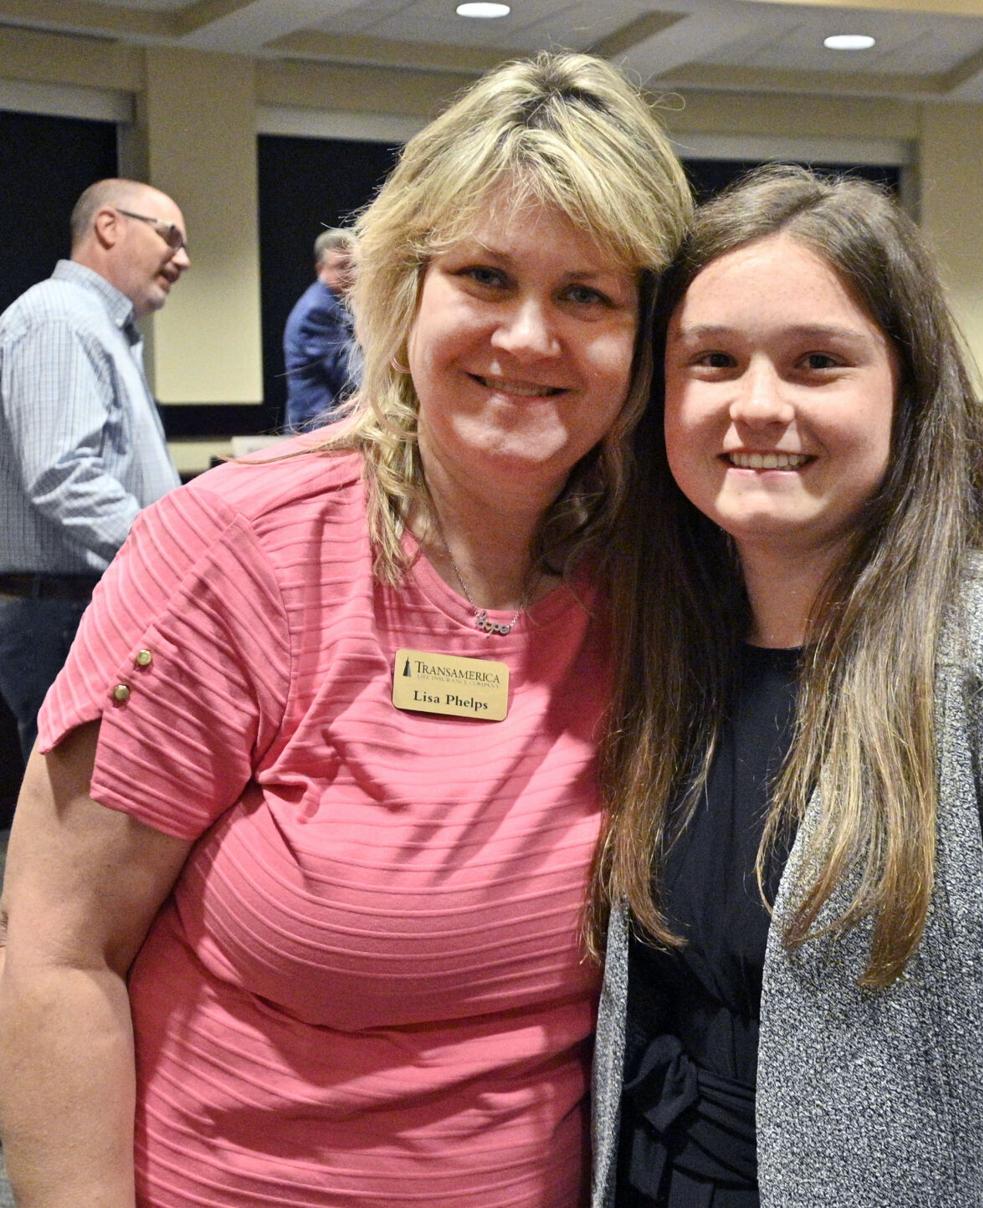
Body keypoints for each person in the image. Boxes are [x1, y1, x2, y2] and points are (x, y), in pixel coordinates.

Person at [0, 53, 692, 1206]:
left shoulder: (658, 585)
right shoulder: (233, 552)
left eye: (588, 294)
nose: (529, 336)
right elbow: (56, 953)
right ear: (403, 290)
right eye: (484, 275)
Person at [590, 166, 983, 1206]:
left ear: (908, 389)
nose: (758, 404)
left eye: (818, 361)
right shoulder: (657, 642)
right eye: (715, 360)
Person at [0, 179, 186, 766]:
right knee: (81, 831)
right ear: (110, 226)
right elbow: (63, 474)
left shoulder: (97, 325)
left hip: (76, 607)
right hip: (61, 614)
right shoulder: (60, 318)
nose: (183, 258)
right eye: (171, 237)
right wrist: (180, 547)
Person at [283, 227, 358, 431]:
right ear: (320, 269)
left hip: (326, 427)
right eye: (342, 266)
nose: (351, 274)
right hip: (318, 431)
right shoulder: (318, 310)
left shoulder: (334, 303)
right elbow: (350, 377)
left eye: (355, 265)